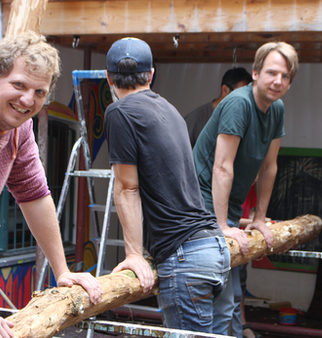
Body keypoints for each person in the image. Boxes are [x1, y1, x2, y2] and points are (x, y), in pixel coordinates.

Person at [104, 37, 230, 333]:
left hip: (186, 257)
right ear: (151, 75)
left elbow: (127, 188)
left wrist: (134, 254)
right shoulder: (170, 109)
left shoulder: (120, 112)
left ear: (108, 77)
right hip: (214, 249)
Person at [0, 31, 102, 337]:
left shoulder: (18, 130)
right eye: (19, 85)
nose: (28, 100)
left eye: (39, 92)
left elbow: (35, 195)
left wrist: (62, 272)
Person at [193, 41, 298, 338]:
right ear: (256, 73)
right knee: (218, 298)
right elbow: (221, 167)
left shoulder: (276, 109)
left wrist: (260, 217)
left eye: (285, 76)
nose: (278, 81)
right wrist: (222, 225)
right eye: (272, 73)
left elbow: (269, 167)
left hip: (232, 204)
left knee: (230, 299)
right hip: (201, 200)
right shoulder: (239, 104)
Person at [184, 67, 252, 148]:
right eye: (240, 94)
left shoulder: (245, 120)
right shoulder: (196, 118)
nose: (245, 100)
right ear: (225, 90)